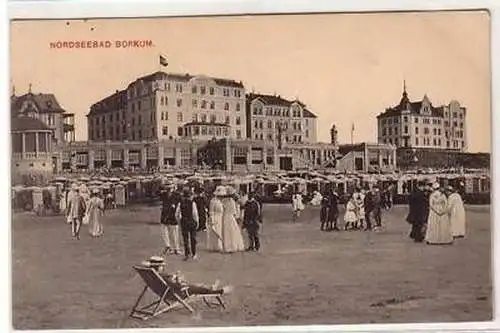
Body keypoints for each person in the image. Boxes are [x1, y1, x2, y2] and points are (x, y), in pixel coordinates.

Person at [141, 256, 233, 296]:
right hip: (178, 292)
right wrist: (178, 279)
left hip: (166, 291)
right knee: (196, 288)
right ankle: (218, 291)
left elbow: (167, 283)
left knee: (197, 285)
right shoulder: (162, 276)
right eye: (162, 266)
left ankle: (210, 287)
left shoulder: (153, 275)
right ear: (159, 267)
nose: (163, 267)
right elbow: (175, 286)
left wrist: (175, 277)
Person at [175, 187, 200, 260]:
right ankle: (194, 253)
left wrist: (179, 222)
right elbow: (195, 214)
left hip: (184, 221)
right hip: (191, 221)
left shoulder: (180, 203)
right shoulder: (193, 203)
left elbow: (177, 214)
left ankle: (187, 254)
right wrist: (197, 222)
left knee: (185, 239)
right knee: (193, 238)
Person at [221, 186, 246, 253]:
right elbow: (234, 211)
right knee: (232, 231)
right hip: (230, 217)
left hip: (225, 217)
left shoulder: (223, 201)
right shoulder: (232, 201)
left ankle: (227, 246)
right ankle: (233, 245)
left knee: (226, 232)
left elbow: (222, 209)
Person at [160, 184, 181, 255]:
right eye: (167, 187)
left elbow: (179, 204)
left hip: (172, 215)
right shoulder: (164, 194)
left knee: (174, 232)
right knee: (165, 231)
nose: (169, 189)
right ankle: (168, 246)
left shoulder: (177, 195)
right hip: (165, 215)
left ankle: (175, 248)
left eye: (170, 187)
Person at [207, 186, 225, 252]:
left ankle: (219, 246)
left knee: (220, 231)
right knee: (215, 231)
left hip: (220, 217)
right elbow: (211, 210)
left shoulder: (220, 201)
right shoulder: (213, 201)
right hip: (215, 217)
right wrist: (212, 218)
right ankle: (214, 246)